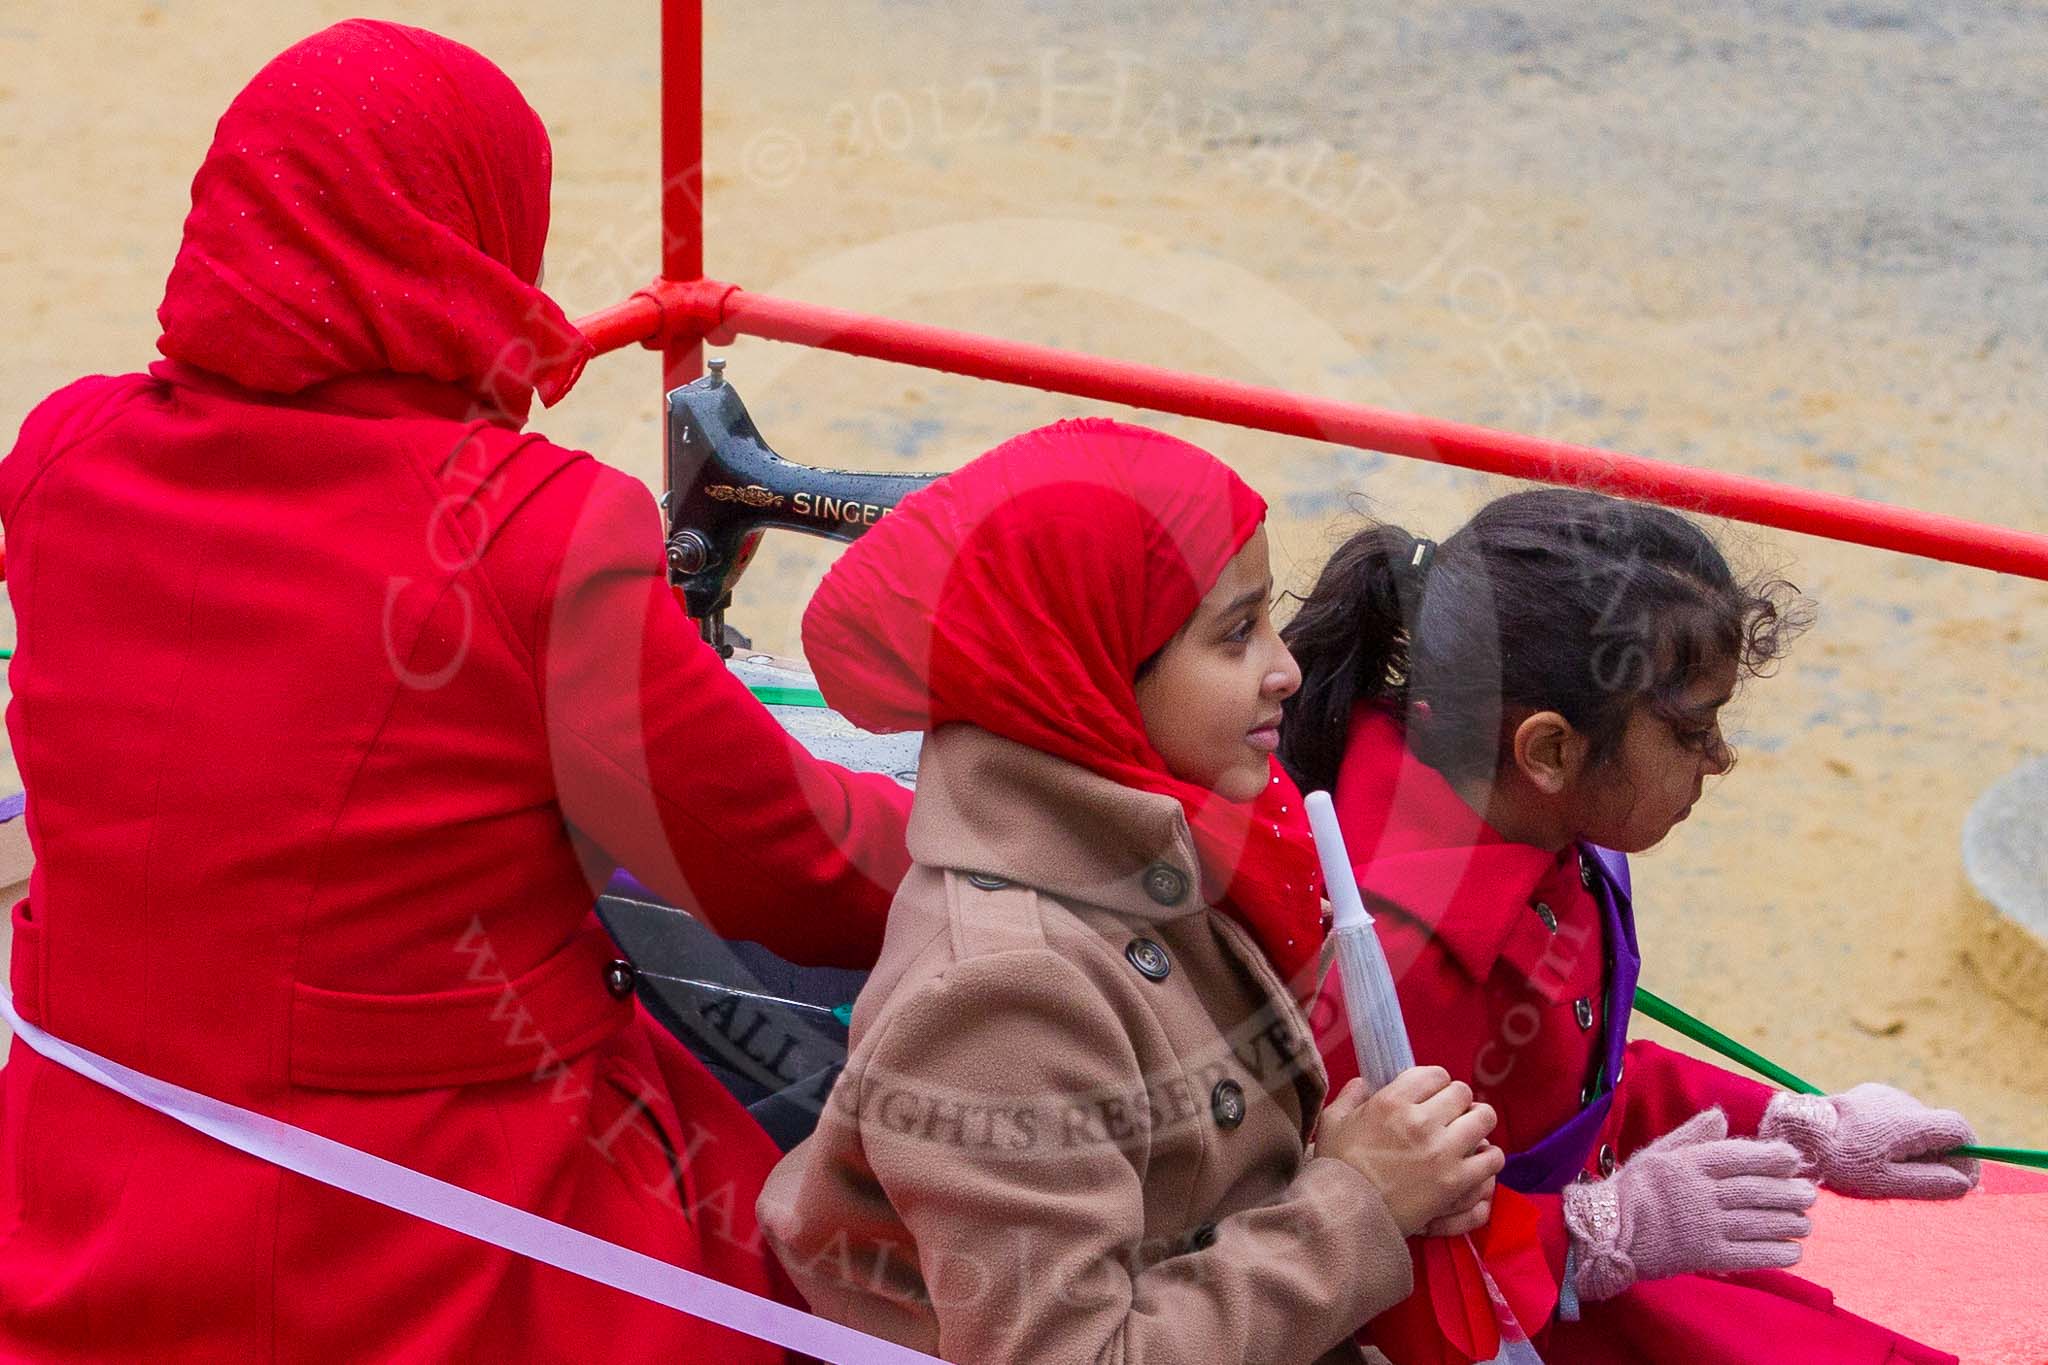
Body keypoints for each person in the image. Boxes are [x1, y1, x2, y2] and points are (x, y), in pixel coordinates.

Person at [0, 21, 909, 1361]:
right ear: (482, 242)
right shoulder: (537, 535)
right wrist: (1008, 825)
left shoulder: (61, 456)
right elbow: (789, 868)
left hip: (93, 1194)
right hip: (446, 1240)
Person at [756, 418, 1504, 1363]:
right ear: (1094, 668)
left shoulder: (1150, 849)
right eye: (1236, 634)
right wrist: (1352, 1205)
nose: (1288, 668)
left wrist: (1362, 1168)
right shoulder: (1005, 997)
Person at [1279, 488, 1978, 1364]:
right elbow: (1358, 1254)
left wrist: (1800, 1124)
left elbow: (1576, 1093)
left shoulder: (1535, 818)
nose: (1719, 759)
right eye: (1692, 730)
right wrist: (1594, 1234)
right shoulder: (1394, 957)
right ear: (1551, 751)